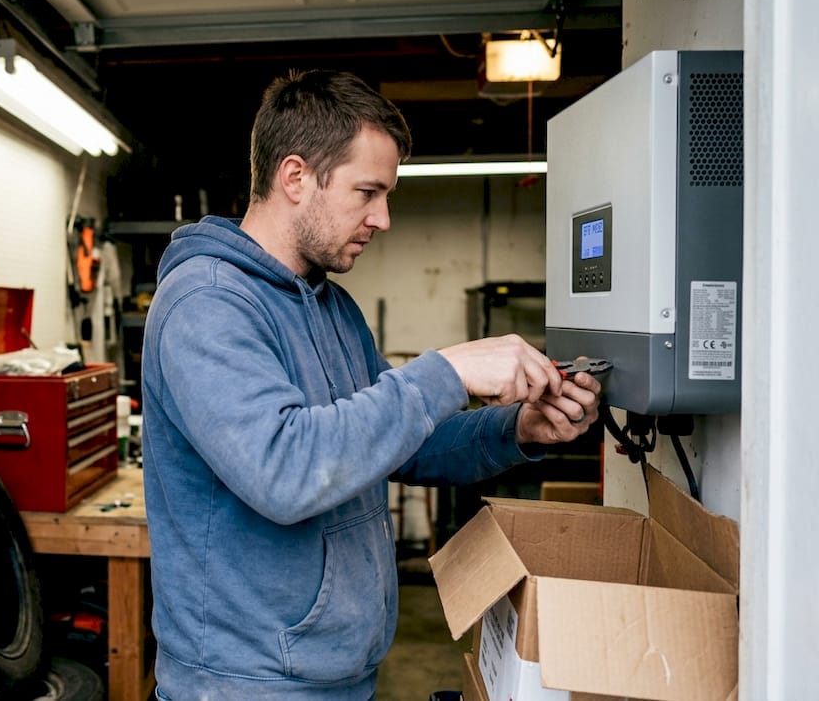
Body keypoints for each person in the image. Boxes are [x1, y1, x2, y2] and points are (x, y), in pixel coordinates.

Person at [140, 69, 602, 700]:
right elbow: (285, 470)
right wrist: (448, 370)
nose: (383, 218)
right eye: (367, 192)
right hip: (246, 685)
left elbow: (403, 444)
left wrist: (518, 427)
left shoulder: (332, 308)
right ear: (296, 177)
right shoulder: (207, 305)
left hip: (337, 671)